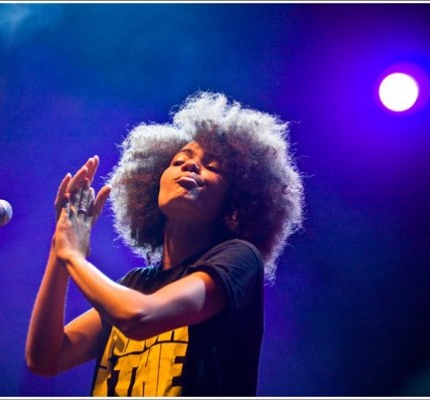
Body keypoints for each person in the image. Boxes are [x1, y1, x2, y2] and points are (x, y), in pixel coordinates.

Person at [25, 91, 304, 396]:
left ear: (235, 204)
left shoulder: (239, 260)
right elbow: (44, 358)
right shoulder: (134, 285)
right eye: (179, 160)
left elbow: (140, 317)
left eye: (212, 166)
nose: (190, 166)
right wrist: (60, 246)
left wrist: (73, 256)